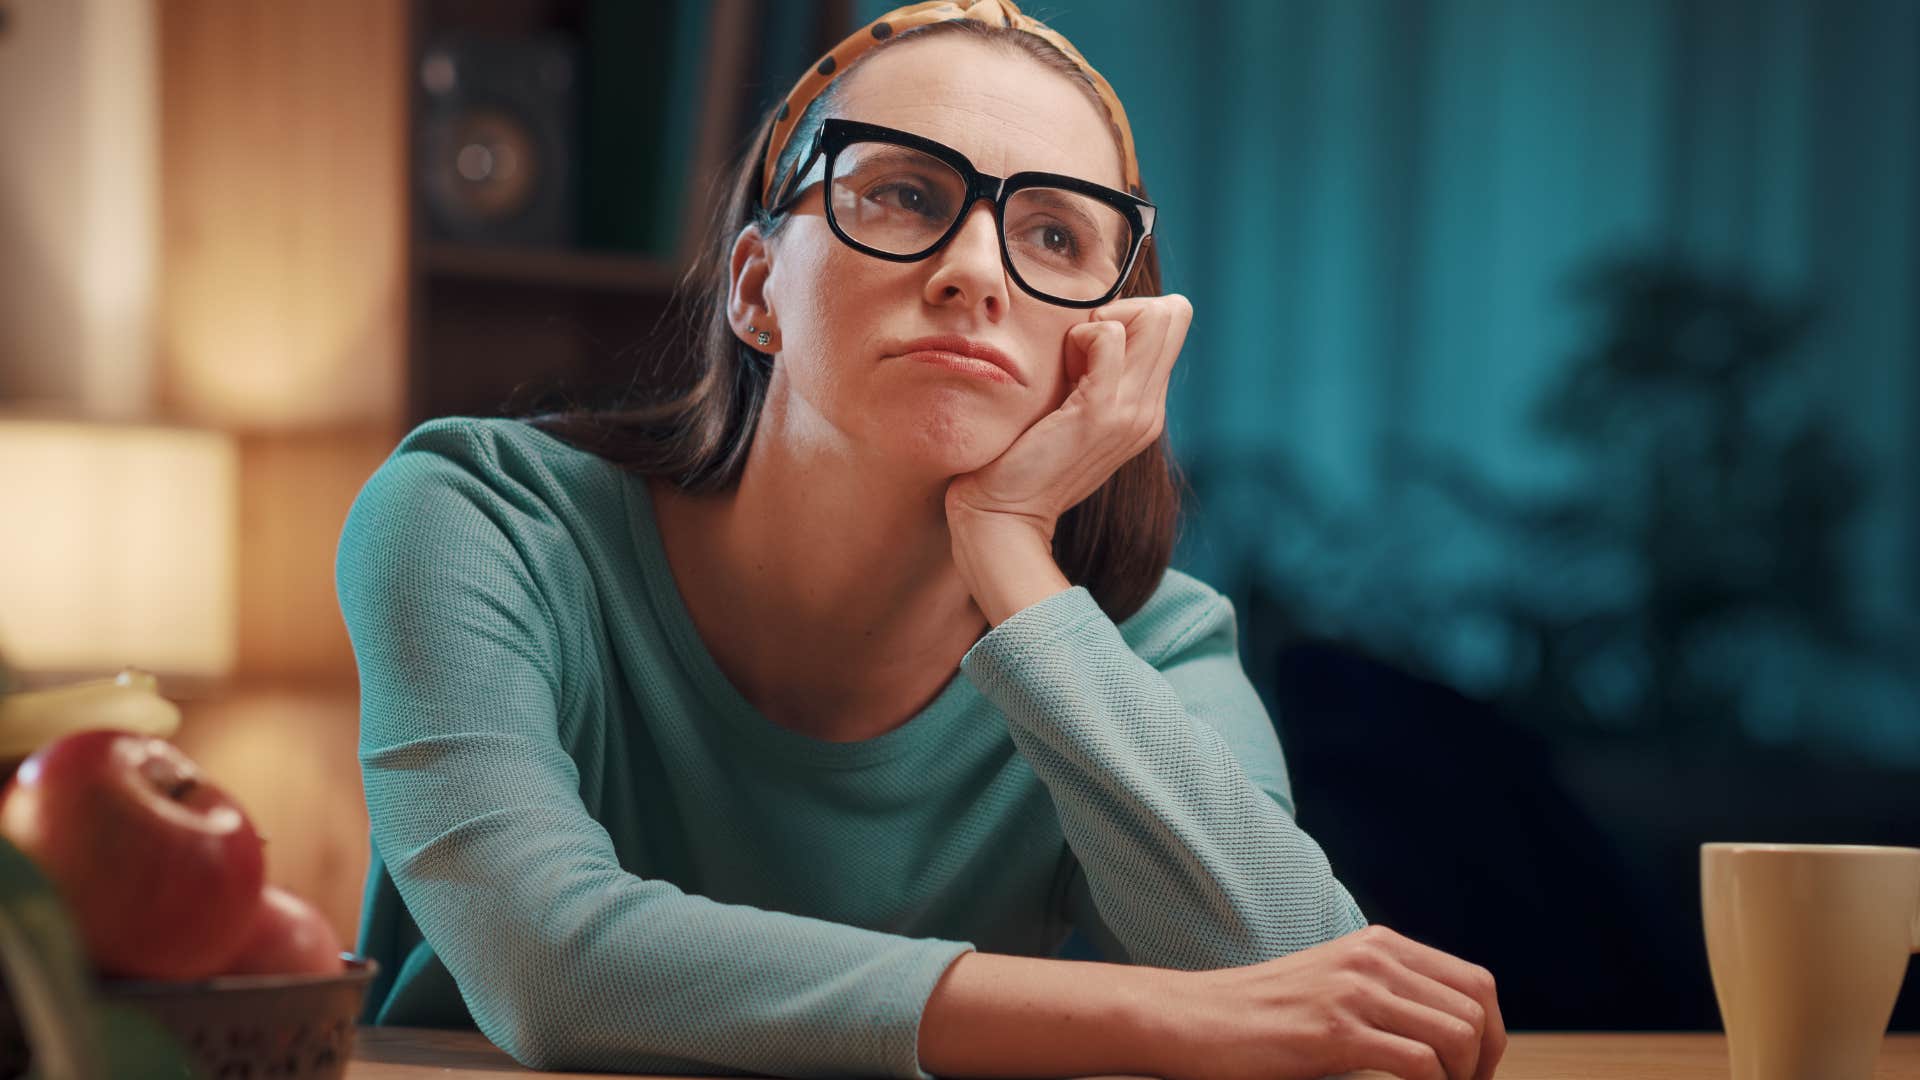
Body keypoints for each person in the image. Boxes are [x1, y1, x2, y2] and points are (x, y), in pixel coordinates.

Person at [336, 2, 1507, 1078]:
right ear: (755, 288)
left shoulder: (1142, 651)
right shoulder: (476, 520)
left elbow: (1310, 996)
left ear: (1107, 341)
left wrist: (1007, 546)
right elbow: (549, 959)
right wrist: (1154, 1017)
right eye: (901, 194)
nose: (973, 274)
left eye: (1054, 234)